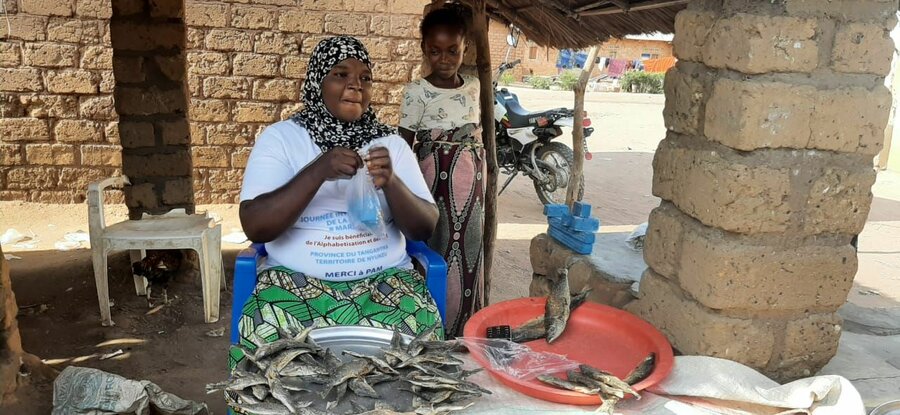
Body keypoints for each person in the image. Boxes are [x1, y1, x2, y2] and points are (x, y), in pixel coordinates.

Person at [231, 36, 443, 371]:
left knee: (418, 354)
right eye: (340, 75)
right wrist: (319, 170)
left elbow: (424, 226)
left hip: (385, 285)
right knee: (267, 348)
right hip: (293, 285)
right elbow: (256, 225)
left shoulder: (390, 145)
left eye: (365, 78)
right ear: (318, 81)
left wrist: (392, 183)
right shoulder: (283, 138)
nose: (355, 86)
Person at [398, 5, 483, 337]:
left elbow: (475, 136)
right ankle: (431, 326)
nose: (444, 59)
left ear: (465, 49)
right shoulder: (416, 92)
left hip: (471, 187)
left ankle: (462, 327)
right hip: (432, 183)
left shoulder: (474, 86)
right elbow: (403, 146)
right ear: (424, 50)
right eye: (435, 51)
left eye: (453, 51)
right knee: (435, 247)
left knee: (468, 252)